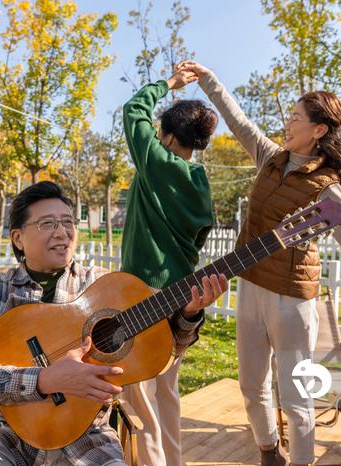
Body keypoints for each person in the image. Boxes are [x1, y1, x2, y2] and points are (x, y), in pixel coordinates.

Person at [178, 61, 341, 466]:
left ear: (319, 130)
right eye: (288, 116)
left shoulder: (327, 185)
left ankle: (303, 461)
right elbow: (237, 120)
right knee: (252, 385)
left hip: (292, 299)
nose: (286, 123)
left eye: (294, 118)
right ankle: (269, 451)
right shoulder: (270, 157)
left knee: (295, 393)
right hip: (250, 284)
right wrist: (209, 81)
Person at [0, 180, 228, 466]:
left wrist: (187, 314)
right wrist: (43, 379)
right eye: (47, 224)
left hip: (90, 442)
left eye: (68, 222)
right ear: (18, 238)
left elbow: (163, 350)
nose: (62, 232)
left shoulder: (102, 285)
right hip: (7, 437)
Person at [118, 69, 218, 466]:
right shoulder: (200, 181)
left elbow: (133, 109)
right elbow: (198, 238)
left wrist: (169, 85)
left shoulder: (156, 161)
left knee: (140, 400)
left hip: (143, 295)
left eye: (161, 135)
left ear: (170, 137)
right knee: (166, 394)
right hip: (182, 297)